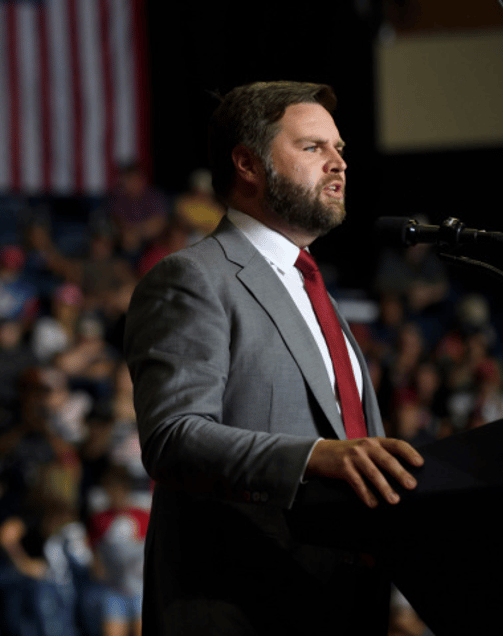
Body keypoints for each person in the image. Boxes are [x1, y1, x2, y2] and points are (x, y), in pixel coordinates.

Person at [123, 80, 424, 635]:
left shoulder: (316, 293)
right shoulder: (194, 278)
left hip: (343, 602)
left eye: (339, 150)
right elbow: (172, 437)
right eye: (313, 148)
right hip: (242, 605)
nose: (338, 164)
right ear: (248, 164)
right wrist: (315, 457)